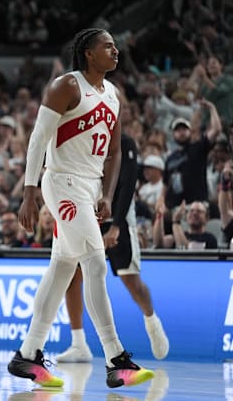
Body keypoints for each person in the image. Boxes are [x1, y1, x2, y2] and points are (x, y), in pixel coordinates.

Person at [9, 28, 153, 389]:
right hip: (62, 183)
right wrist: (29, 191)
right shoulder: (66, 86)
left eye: (116, 46)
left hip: (88, 189)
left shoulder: (114, 95)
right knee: (94, 263)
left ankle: (27, 355)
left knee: (61, 268)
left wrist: (106, 193)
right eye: (108, 46)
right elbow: (38, 139)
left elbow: (116, 151)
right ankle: (116, 359)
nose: (116, 51)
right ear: (88, 53)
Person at [57, 132, 169, 363]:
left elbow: (128, 184)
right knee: (72, 276)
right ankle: (79, 344)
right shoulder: (81, 136)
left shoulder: (125, 141)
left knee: (132, 281)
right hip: (86, 213)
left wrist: (117, 226)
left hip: (117, 215)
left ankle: (151, 321)